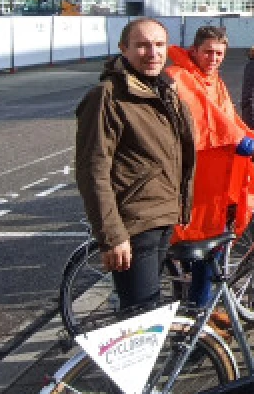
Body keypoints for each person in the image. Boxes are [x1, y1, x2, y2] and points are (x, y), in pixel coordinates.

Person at [74, 18, 196, 312]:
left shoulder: (163, 90)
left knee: (146, 316)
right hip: (135, 222)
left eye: (158, 45)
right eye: (142, 45)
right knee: (141, 321)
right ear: (123, 49)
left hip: (163, 216)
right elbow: (93, 170)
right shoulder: (108, 96)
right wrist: (112, 236)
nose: (152, 53)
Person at [165, 26, 254, 310]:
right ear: (194, 50)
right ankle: (197, 315)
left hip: (212, 181)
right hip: (194, 180)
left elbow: (230, 122)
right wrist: (252, 148)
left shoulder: (212, 80)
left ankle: (202, 309)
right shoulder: (180, 78)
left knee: (210, 247)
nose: (214, 58)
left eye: (219, 53)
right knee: (202, 245)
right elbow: (209, 126)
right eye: (208, 52)